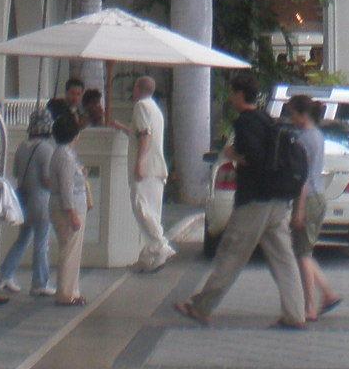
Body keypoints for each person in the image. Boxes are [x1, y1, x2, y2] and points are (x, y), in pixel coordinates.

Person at [173, 72, 307, 329]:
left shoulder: (245, 122)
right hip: (278, 202)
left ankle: (201, 307)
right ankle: (295, 313)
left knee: (231, 254)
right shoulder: (268, 119)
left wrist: (232, 153)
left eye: (232, 93)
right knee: (284, 258)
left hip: (254, 201)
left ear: (238, 94)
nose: (230, 98)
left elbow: (252, 157)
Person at [285, 94, 343, 323]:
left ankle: (312, 305)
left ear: (302, 114)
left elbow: (303, 179)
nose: (290, 118)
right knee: (305, 252)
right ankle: (327, 294)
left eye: (292, 114)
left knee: (303, 255)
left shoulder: (303, 140)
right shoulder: (317, 135)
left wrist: (298, 210)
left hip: (307, 199)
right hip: (318, 198)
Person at [0, 111, 57, 297]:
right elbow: (46, 179)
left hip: (23, 199)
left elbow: (16, 173)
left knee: (23, 239)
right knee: (41, 243)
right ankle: (40, 282)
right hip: (42, 201)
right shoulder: (46, 149)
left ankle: (6, 273)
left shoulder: (22, 147)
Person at [128, 74, 176, 271]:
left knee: (141, 207)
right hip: (157, 167)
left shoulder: (140, 106)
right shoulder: (155, 109)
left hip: (146, 168)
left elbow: (145, 135)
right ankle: (152, 255)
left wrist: (139, 163)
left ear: (138, 89)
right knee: (152, 211)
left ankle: (160, 244)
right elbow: (141, 134)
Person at [49, 110, 90, 306]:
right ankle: (66, 293)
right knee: (69, 250)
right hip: (68, 208)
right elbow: (66, 187)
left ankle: (72, 290)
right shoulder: (64, 156)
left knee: (71, 250)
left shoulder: (64, 153)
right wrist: (72, 213)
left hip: (67, 206)